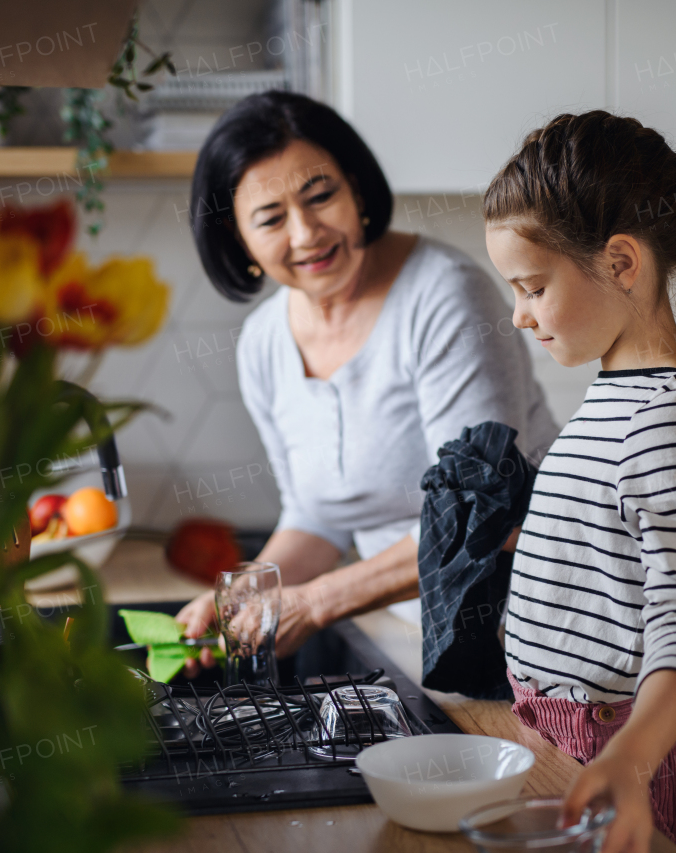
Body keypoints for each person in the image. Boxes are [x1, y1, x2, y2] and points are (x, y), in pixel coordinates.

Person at [175, 91, 559, 674]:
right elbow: (318, 515)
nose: (306, 234)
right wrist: (242, 597)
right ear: (239, 240)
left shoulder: (443, 296)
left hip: (537, 622)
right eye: (271, 218)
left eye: (320, 195)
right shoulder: (263, 343)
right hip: (414, 626)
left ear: (356, 188)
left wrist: (315, 601)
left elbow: (479, 515)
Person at [483, 111, 676, 853]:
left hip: (639, 764)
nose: (518, 314)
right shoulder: (616, 398)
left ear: (620, 263)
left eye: (532, 287)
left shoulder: (672, 415)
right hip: (569, 742)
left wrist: (629, 762)